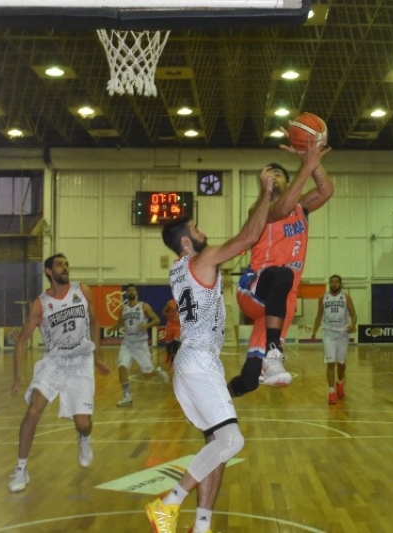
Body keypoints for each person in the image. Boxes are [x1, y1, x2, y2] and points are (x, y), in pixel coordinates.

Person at [145, 171, 275, 533]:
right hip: (199, 361)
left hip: (194, 363)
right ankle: (168, 503)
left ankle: (201, 526)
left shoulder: (179, 268)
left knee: (217, 446)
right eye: (198, 230)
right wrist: (265, 193)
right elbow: (249, 236)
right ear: (186, 242)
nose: (205, 234)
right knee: (232, 440)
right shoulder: (201, 261)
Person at [230, 137, 334, 395]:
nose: (274, 176)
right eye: (269, 173)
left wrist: (308, 161)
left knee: (251, 379)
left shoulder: (302, 208)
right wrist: (307, 166)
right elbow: (281, 209)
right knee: (282, 273)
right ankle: (274, 354)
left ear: (289, 183)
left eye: (279, 173)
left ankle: (223, 397)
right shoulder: (261, 207)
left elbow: (326, 191)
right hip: (255, 289)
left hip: (280, 303)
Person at [8, 253, 111, 493]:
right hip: (54, 361)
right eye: (59, 265)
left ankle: (84, 438)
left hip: (81, 360)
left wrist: (97, 356)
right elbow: (22, 340)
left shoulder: (82, 291)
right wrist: (17, 377)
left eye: (67, 264)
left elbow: (95, 322)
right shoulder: (40, 304)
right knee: (33, 409)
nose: (65, 268)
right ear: (48, 271)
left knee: (83, 423)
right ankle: (21, 468)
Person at [115, 284, 168, 407]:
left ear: (136, 293)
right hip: (127, 343)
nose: (131, 292)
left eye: (133, 290)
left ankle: (157, 371)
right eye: (128, 290)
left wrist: (147, 326)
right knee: (122, 367)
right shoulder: (123, 309)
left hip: (141, 344)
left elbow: (157, 320)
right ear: (126, 294)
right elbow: (119, 323)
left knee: (147, 374)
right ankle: (127, 396)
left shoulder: (144, 306)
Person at [310, 274, 358, 404]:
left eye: (337, 282)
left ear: (340, 284)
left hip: (342, 334)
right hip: (328, 333)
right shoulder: (323, 298)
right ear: (329, 284)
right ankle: (331, 391)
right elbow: (319, 316)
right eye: (332, 282)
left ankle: (340, 382)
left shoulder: (346, 297)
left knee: (341, 363)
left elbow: (354, 314)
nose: (334, 284)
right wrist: (314, 331)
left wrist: (353, 325)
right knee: (331, 363)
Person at [162, 299, 181, 371]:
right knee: (168, 344)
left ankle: (172, 362)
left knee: (176, 342)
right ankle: (168, 354)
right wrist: (168, 315)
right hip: (170, 325)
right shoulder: (170, 302)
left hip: (179, 326)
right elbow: (163, 311)